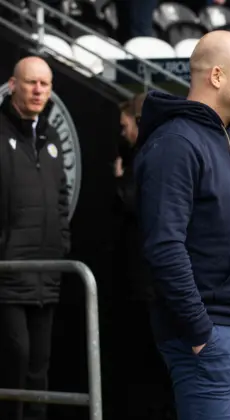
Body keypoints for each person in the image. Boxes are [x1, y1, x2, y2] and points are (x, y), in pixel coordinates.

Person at [134, 31, 230, 420]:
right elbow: (164, 246)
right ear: (216, 76)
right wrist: (199, 334)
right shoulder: (175, 143)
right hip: (211, 338)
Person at [0, 56, 70, 420]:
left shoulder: (52, 136)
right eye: (31, 83)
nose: (38, 90)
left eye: (45, 84)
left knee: (39, 367)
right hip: (8, 273)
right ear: (13, 85)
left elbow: (61, 200)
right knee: (16, 359)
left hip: (47, 272)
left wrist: (62, 244)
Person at [111, 93, 176, 420]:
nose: (121, 133)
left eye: (124, 126)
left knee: (156, 359)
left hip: (153, 281)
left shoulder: (149, 156)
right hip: (151, 280)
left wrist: (120, 181)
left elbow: (141, 204)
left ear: (139, 122)